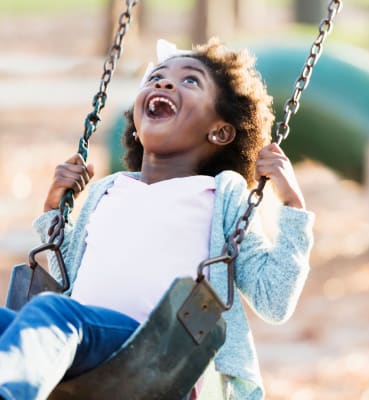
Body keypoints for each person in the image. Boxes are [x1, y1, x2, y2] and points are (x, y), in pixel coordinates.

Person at [0, 38, 314, 400]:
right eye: (157, 78)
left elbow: (273, 299)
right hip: (81, 344)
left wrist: (293, 203)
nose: (164, 83)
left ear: (220, 131)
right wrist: (53, 212)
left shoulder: (221, 196)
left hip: (160, 353)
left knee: (54, 312)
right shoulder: (107, 190)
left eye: (190, 81)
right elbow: (68, 273)